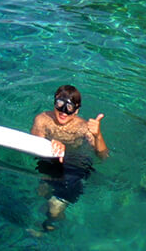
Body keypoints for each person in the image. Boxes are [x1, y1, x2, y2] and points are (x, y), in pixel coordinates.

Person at [31, 85, 108, 231]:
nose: (63, 112)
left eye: (70, 107)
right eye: (60, 104)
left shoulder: (83, 127)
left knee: (54, 208)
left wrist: (98, 135)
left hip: (76, 163)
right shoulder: (42, 120)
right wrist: (49, 143)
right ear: (54, 102)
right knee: (42, 192)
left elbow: (103, 156)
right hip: (52, 158)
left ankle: (48, 227)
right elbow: (34, 143)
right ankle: (55, 217)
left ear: (77, 110)